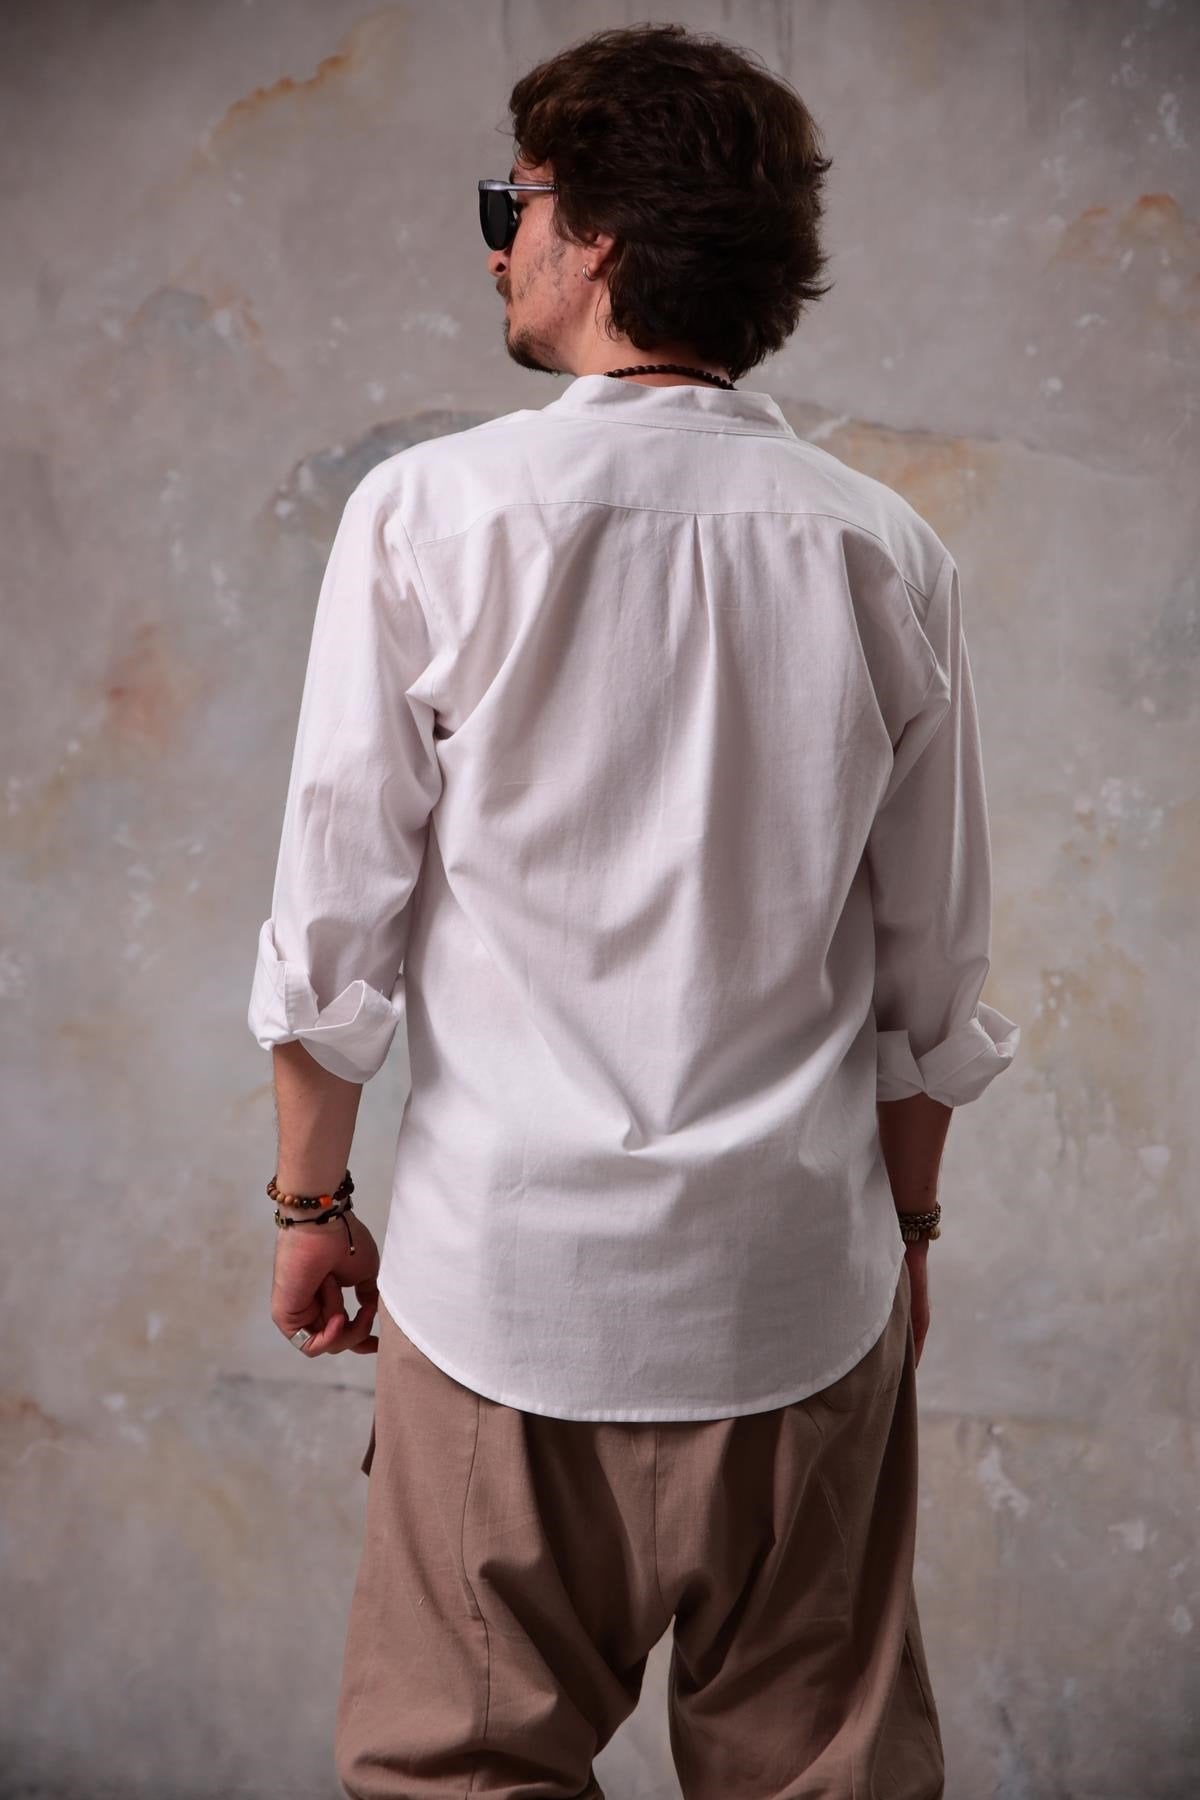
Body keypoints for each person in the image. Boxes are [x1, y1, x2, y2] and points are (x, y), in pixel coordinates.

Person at [247, 22, 1020, 1799]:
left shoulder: (430, 518)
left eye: (511, 204)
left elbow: (333, 928)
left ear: (593, 234)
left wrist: (310, 1205)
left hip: (503, 1297)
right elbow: (929, 976)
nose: (496, 245)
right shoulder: (881, 549)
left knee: (461, 1773)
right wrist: (907, 1238)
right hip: (798, 1295)